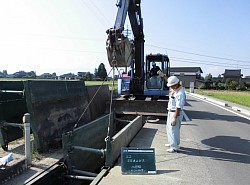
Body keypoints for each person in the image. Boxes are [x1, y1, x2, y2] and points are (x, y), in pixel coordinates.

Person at [158, 71, 186, 153]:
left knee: (174, 130)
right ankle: (172, 143)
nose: (170, 87)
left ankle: (174, 147)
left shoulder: (180, 94)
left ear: (175, 84)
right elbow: (169, 80)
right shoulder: (176, 88)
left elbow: (178, 107)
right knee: (169, 129)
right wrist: (163, 76)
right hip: (171, 111)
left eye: (171, 86)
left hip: (175, 113)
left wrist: (174, 118)